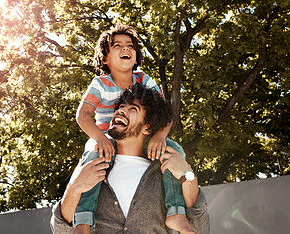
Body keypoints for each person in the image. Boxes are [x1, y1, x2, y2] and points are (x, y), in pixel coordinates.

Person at [74, 24, 192, 232]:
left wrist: (160, 137)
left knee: (176, 151)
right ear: (105, 59)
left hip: (140, 138)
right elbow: (82, 116)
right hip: (105, 137)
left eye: (130, 45)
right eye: (117, 46)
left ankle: (176, 211)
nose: (125, 48)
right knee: (92, 159)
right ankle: (83, 219)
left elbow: (165, 114)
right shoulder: (100, 83)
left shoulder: (144, 80)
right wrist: (100, 139)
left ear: (136, 57)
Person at [51, 84, 209, 233]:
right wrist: (74, 187)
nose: (120, 111)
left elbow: (200, 229)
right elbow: (60, 229)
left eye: (133, 108)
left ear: (147, 127)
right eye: (120, 107)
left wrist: (188, 175)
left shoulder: (164, 169)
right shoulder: (92, 163)